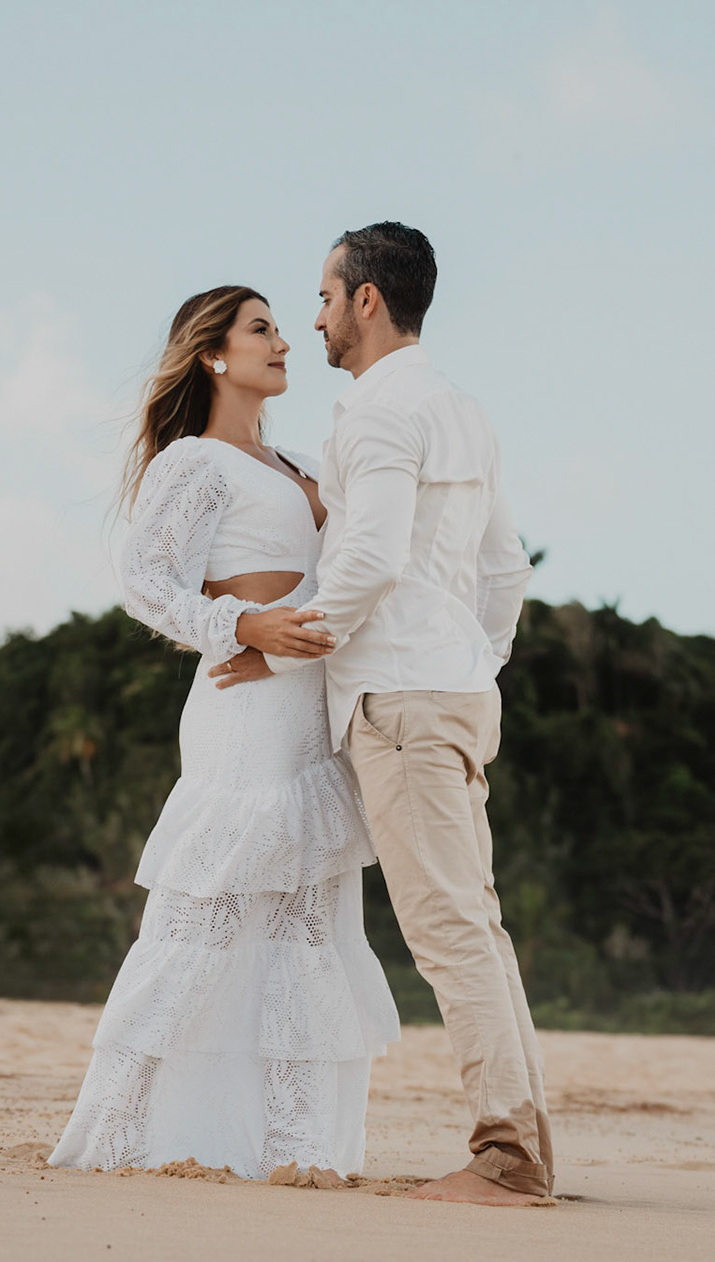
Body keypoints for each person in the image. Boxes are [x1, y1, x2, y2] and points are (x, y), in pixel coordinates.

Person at [212, 223, 552, 1206]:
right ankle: (527, 1149)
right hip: (449, 689)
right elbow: (505, 569)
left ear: (367, 300)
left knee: (449, 929)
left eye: (323, 295)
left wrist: (281, 635)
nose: (312, 315)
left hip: (405, 698)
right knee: (475, 925)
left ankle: (509, 1159)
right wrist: (470, 659)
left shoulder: (372, 415)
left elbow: (370, 559)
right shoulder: (464, 411)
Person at [48, 286, 400, 1179]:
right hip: (242, 716)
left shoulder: (291, 463)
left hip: (306, 714)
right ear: (212, 354)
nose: (285, 340)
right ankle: (123, 1133)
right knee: (204, 925)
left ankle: (291, 1149)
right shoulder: (194, 463)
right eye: (262, 329)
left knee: (305, 928)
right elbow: (146, 580)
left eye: (282, 326)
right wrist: (240, 628)